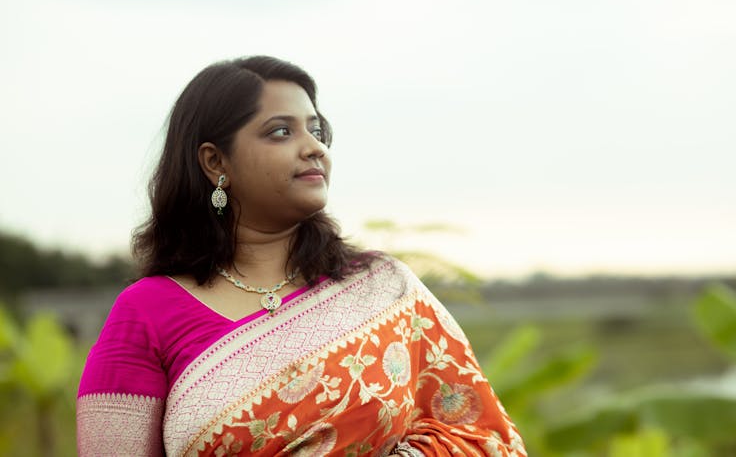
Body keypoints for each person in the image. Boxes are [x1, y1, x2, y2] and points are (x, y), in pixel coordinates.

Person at [76, 56, 526, 456]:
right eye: (280, 132)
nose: (313, 147)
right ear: (215, 163)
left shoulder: (383, 289)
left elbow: (483, 437)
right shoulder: (145, 313)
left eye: (316, 130)